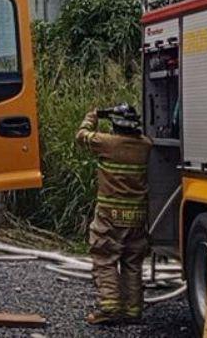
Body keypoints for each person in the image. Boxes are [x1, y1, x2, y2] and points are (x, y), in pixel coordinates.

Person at [76, 104, 153, 325]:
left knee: (105, 257)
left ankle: (109, 309)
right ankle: (132, 309)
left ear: (116, 125)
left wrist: (91, 117)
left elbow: (81, 136)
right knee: (132, 261)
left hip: (110, 215)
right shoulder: (145, 145)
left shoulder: (107, 143)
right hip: (137, 215)